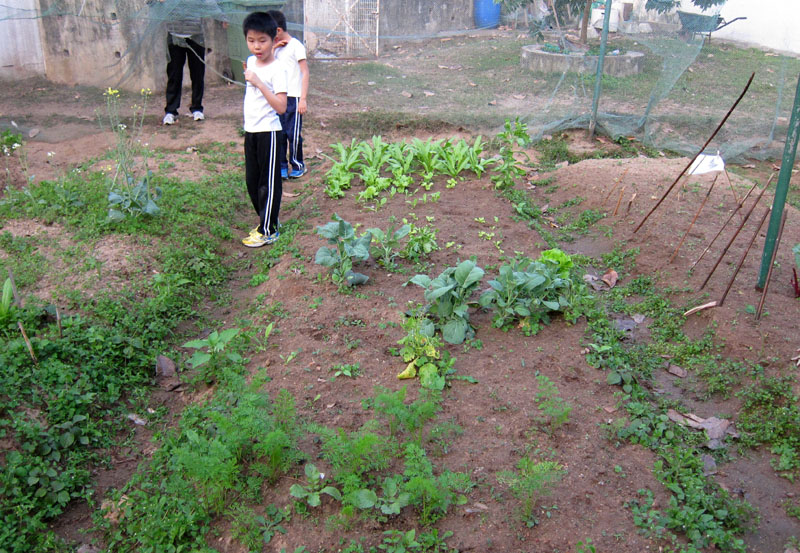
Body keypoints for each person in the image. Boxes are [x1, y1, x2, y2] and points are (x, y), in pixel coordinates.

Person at [240, 12, 288, 248]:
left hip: (269, 132)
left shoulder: (278, 69)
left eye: (262, 40)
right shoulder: (250, 62)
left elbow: (281, 107)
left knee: (268, 183)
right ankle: (266, 221)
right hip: (251, 130)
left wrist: (259, 82)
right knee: (252, 181)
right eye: (251, 40)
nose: (256, 46)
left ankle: (268, 230)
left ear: (273, 39)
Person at [161, 0, 227, 125]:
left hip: (195, 35)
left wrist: (222, 17)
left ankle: (197, 108)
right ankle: (171, 111)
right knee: (174, 74)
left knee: (197, 73)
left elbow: (209, 2)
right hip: (174, 34)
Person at [267, 9, 309, 179]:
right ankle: (282, 166)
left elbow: (305, 72)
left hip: (294, 97)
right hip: (278, 97)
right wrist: (273, 48)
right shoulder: (273, 48)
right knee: (280, 133)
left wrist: (303, 99)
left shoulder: (296, 46)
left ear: (277, 30)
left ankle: (298, 164)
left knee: (293, 134)